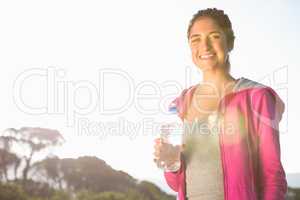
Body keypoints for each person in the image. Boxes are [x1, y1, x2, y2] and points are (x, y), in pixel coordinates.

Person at [153, 8, 287, 200]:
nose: (205, 46)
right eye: (196, 39)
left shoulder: (256, 97)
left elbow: (273, 176)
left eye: (214, 36)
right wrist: (170, 162)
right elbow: (176, 184)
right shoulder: (180, 103)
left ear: (230, 42)